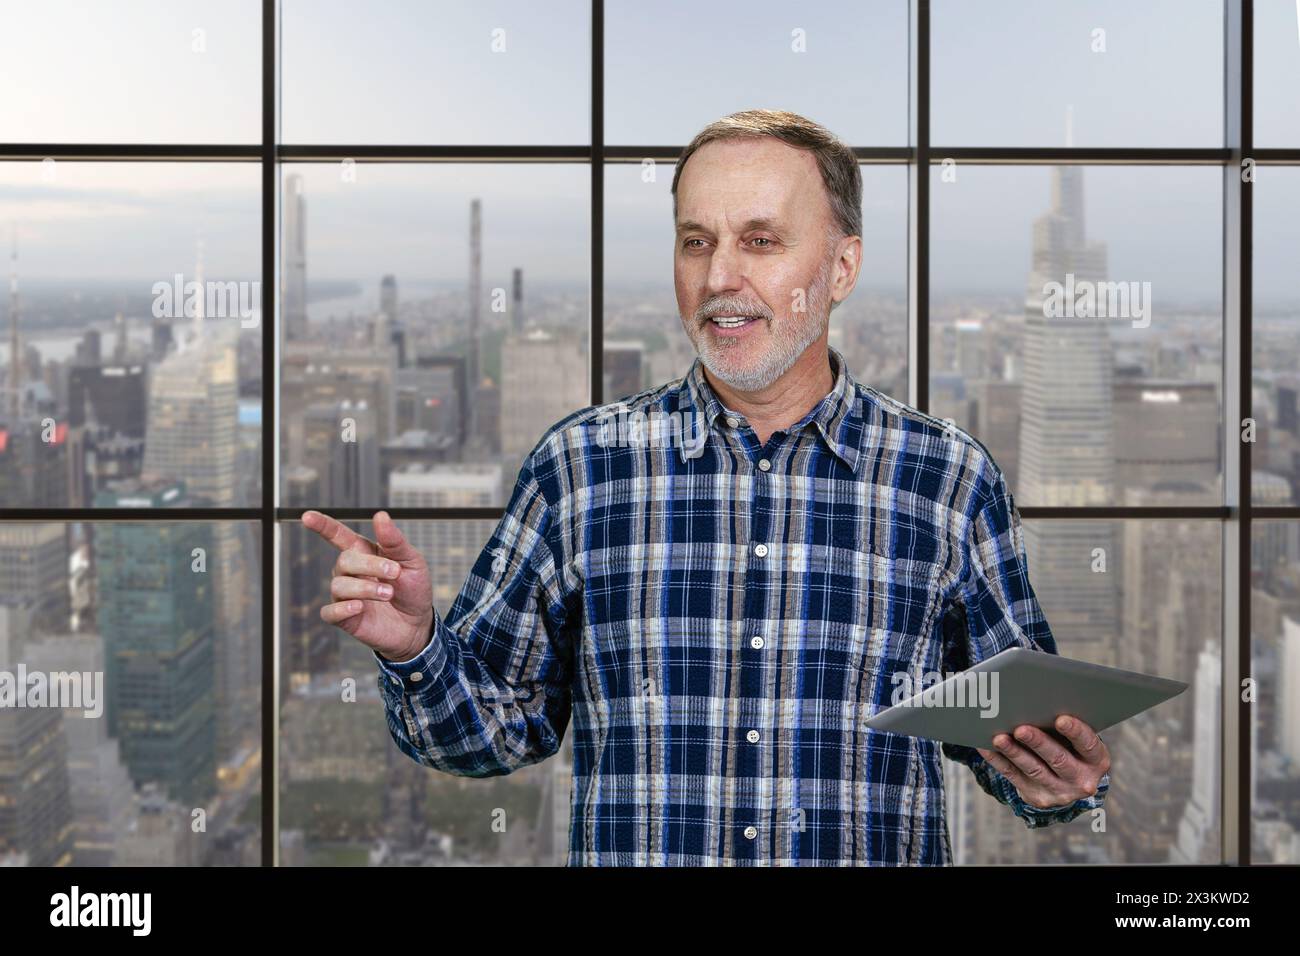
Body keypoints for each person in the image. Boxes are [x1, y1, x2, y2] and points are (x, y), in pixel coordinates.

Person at [302, 108, 1110, 865]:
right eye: (696, 242)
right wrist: (416, 649)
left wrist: (1058, 781)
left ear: (841, 267)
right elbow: (493, 733)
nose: (720, 274)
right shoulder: (582, 469)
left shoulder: (949, 479)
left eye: (760, 241)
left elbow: (1017, 739)